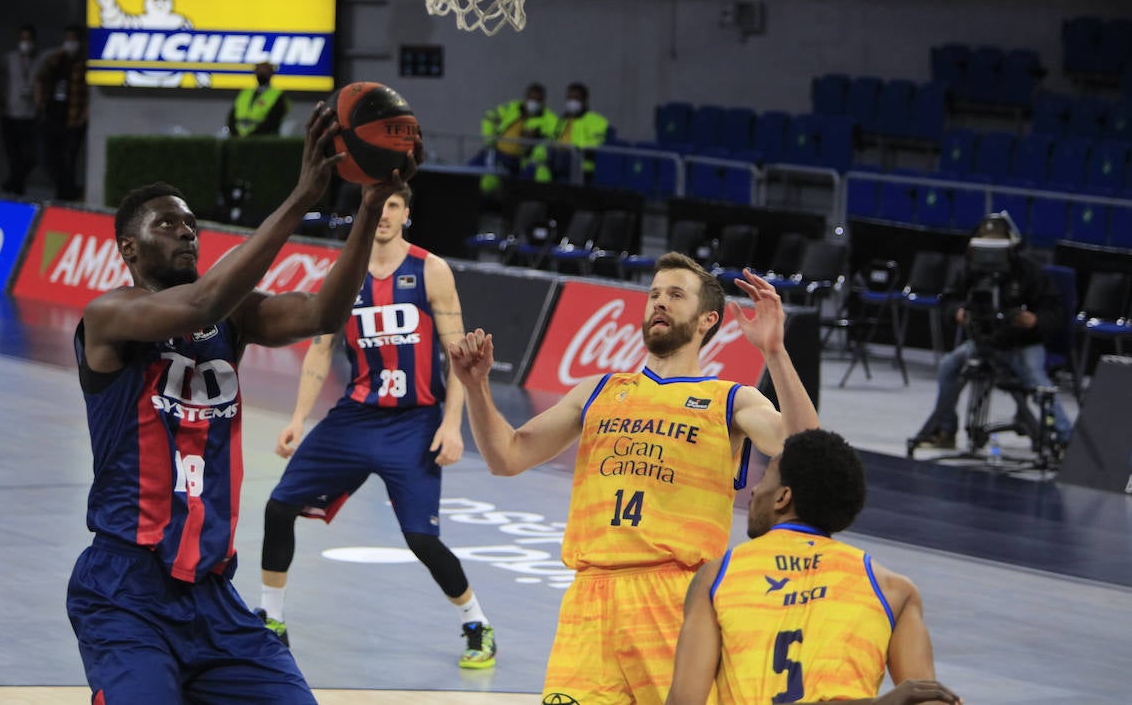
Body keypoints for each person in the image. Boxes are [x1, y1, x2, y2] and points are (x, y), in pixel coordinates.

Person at [67, 105, 419, 704]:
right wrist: (302, 197)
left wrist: (365, 212)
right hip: (126, 590)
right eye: (168, 225)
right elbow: (197, 305)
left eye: (191, 224)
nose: (186, 232)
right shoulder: (111, 316)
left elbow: (323, 315)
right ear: (129, 247)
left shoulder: (234, 316)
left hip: (213, 598)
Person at [449, 253, 820, 705]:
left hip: (675, 597)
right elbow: (507, 457)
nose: (659, 303)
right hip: (589, 600)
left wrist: (775, 353)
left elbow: (806, 450)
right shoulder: (599, 391)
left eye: (675, 295)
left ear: (707, 320)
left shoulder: (729, 400)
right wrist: (476, 388)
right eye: (655, 295)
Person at [258, 181, 497, 668]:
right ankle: (270, 618)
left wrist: (453, 426)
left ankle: (477, 624)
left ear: (406, 212)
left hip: (414, 422)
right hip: (354, 418)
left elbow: (459, 359)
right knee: (279, 506)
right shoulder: (342, 275)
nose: (384, 214)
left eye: (392, 205)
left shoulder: (431, 270)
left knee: (421, 538)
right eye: (375, 206)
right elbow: (320, 351)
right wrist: (298, 420)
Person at [668, 429, 962, 705]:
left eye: (765, 479)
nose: (755, 490)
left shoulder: (717, 577)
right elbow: (927, 698)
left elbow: (684, 701)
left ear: (783, 497)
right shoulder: (894, 591)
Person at [910, 211, 1072, 451]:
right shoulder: (969, 269)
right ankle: (945, 429)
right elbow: (948, 299)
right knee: (948, 366)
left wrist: (1034, 320)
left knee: (1036, 378)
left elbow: (1056, 311)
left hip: (1023, 343)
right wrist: (958, 312)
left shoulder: (1029, 271)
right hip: (982, 341)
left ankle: (1066, 437)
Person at [34, 25, 89, 201]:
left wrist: (84, 115)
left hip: (73, 118)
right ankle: (68, 189)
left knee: (69, 159)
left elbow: (90, 92)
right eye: (67, 39)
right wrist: (39, 105)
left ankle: (65, 196)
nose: (69, 43)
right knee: (46, 157)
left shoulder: (84, 63)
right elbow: (40, 78)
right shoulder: (55, 59)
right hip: (52, 116)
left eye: (73, 39)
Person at [478, 82, 556, 194]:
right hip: (495, 153)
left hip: (519, 160)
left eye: (537, 100)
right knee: (466, 176)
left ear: (543, 101)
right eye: (531, 98)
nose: (533, 102)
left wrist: (536, 135)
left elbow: (553, 139)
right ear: (525, 97)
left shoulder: (550, 118)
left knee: (506, 188)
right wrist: (489, 141)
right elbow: (489, 117)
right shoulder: (513, 107)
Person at [531, 82, 610, 184]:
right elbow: (552, 139)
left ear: (584, 101)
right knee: (535, 165)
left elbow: (596, 145)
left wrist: (571, 148)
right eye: (569, 98)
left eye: (576, 98)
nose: (571, 102)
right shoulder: (562, 121)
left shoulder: (596, 121)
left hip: (579, 164)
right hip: (556, 159)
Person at [0, 24, 40, 196]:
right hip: (10, 113)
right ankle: (17, 188)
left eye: (28, 39)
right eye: (23, 39)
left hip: (30, 115)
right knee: (13, 154)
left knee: (31, 156)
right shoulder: (8, 59)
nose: (25, 43)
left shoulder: (39, 60)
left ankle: (13, 182)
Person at [227, 61, 288, 137]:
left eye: (264, 72)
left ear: (271, 74)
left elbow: (274, 121)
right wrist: (234, 134)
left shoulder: (277, 95)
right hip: (238, 138)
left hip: (263, 139)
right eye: (259, 71)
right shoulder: (245, 92)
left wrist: (253, 135)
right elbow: (232, 117)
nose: (261, 74)